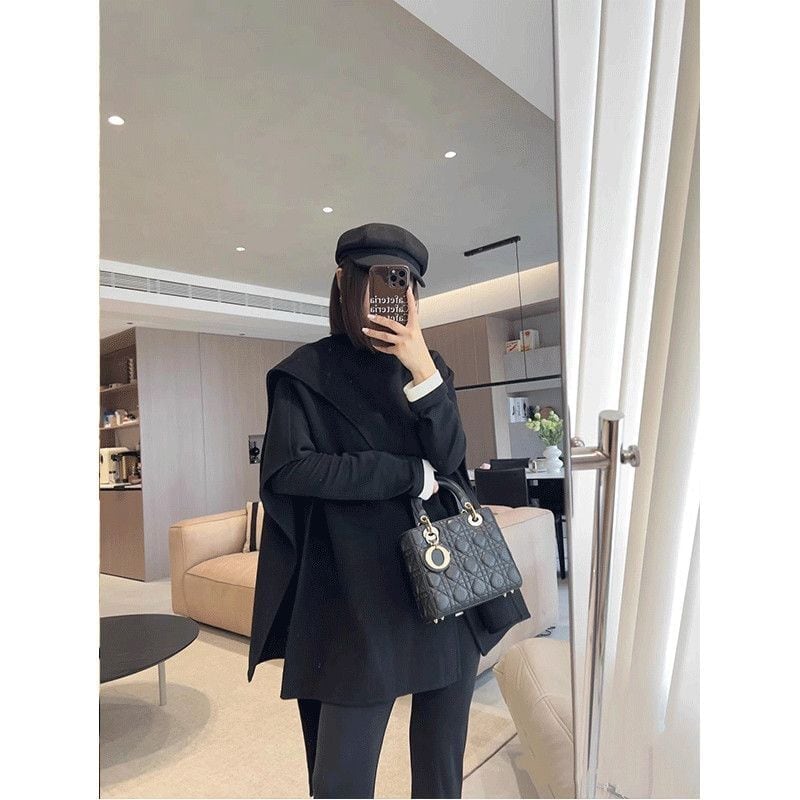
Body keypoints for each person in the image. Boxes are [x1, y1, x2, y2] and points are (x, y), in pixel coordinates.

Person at [247, 223, 531, 798]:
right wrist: (402, 473)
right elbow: (289, 470)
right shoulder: (305, 373)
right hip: (353, 598)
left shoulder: (429, 368)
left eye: (406, 284)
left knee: (440, 773)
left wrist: (423, 369)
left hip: (443, 585)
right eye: (381, 279)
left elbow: (450, 459)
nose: (395, 296)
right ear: (345, 283)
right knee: (341, 781)